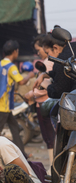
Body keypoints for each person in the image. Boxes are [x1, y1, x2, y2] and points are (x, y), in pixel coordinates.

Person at [0, 40, 34, 156]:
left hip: (1, 103)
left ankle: (21, 153)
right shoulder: (11, 67)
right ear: (15, 52)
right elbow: (22, 81)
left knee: (15, 129)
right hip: (4, 104)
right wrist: (30, 75)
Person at [25, 35, 56, 168]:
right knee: (48, 138)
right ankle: (53, 166)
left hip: (45, 103)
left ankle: (54, 167)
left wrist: (32, 93)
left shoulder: (48, 62)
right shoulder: (47, 61)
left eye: (40, 49)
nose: (39, 52)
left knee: (50, 138)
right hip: (41, 103)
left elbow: (48, 85)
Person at [34, 28, 76, 99]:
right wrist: (46, 74)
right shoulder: (72, 48)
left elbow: (59, 92)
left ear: (55, 48)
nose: (48, 57)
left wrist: (47, 85)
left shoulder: (61, 61)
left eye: (47, 53)